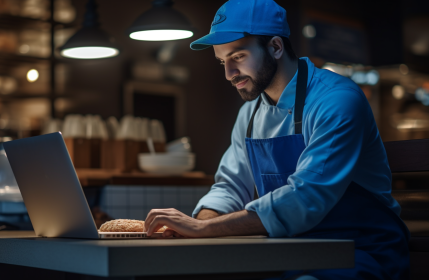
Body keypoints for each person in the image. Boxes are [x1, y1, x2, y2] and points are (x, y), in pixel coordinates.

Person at [143, 0, 410, 279]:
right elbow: (231, 187)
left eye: (238, 57)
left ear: (275, 47)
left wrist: (202, 229)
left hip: (361, 252)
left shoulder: (336, 100)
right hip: (293, 251)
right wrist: (196, 226)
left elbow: (307, 196)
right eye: (222, 61)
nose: (228, 74)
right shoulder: (249, 114)